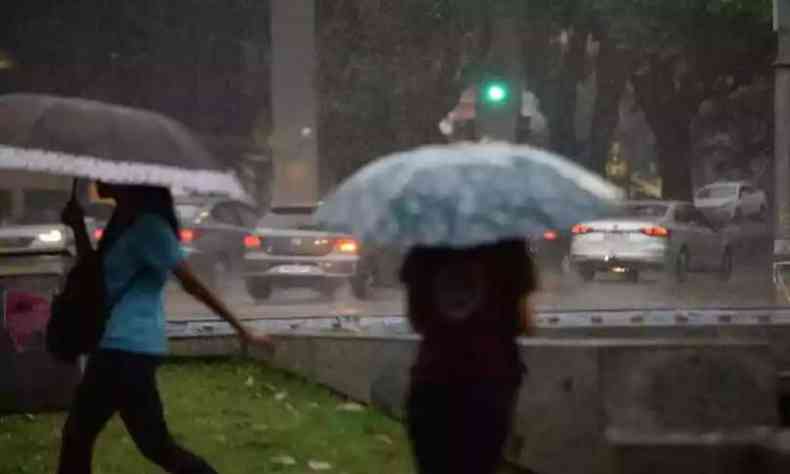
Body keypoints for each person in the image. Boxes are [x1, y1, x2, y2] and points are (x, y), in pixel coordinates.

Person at [56, 181, 273, 474]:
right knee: (145, 443)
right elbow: (95, 277)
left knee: (85, 437)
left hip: (126, 347)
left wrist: (241, 329)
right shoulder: (124, 222)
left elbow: (191, 283)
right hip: (117, 345)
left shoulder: (150, 228)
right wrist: (78, 226)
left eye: (109, 176)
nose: (99, 180)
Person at [400, 239, 537, 474]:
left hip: (433, 380)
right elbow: (522, 322)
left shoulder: (425, 247)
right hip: (491, 382)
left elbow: (417, 319)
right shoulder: (509, 245)